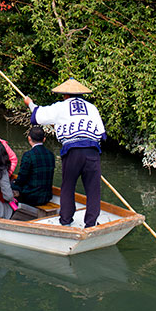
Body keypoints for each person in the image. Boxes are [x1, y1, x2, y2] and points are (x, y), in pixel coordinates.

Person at [24, 77, 106, 228]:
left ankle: (66, 220)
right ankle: (91, 223)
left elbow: (38, 116)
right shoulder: (92, 108)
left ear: (66, 95)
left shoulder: (61, 107)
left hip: (73, 151)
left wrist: (30, 103)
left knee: (68, 186)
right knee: (93, 189)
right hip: (92, 152)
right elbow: (102, 134)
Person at [12, 126, 55, 206]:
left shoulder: (28, 155)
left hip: (31, 197)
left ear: (29, 138)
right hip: (47, 196)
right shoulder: (51, 155)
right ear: (44, 139)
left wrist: (14, 183)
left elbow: (22, 178)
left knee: (9, 184)